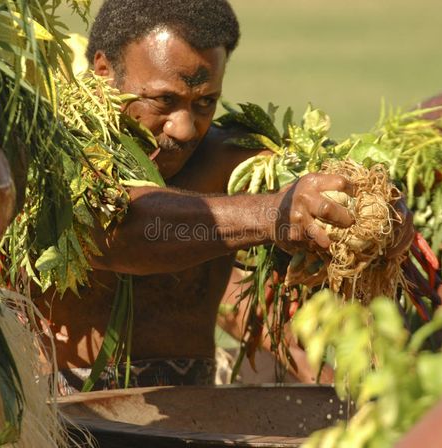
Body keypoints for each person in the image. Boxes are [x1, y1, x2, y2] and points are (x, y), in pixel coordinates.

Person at [35, 0, 412, 393]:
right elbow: (124, 230)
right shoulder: (53, 160)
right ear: (103, 71)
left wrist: (378, 211)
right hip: (61, 419)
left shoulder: (235, 159)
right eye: (164, 100)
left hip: (195, 416)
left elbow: (325, 187)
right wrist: (274, 215)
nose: (184, 129)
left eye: (204, 103)